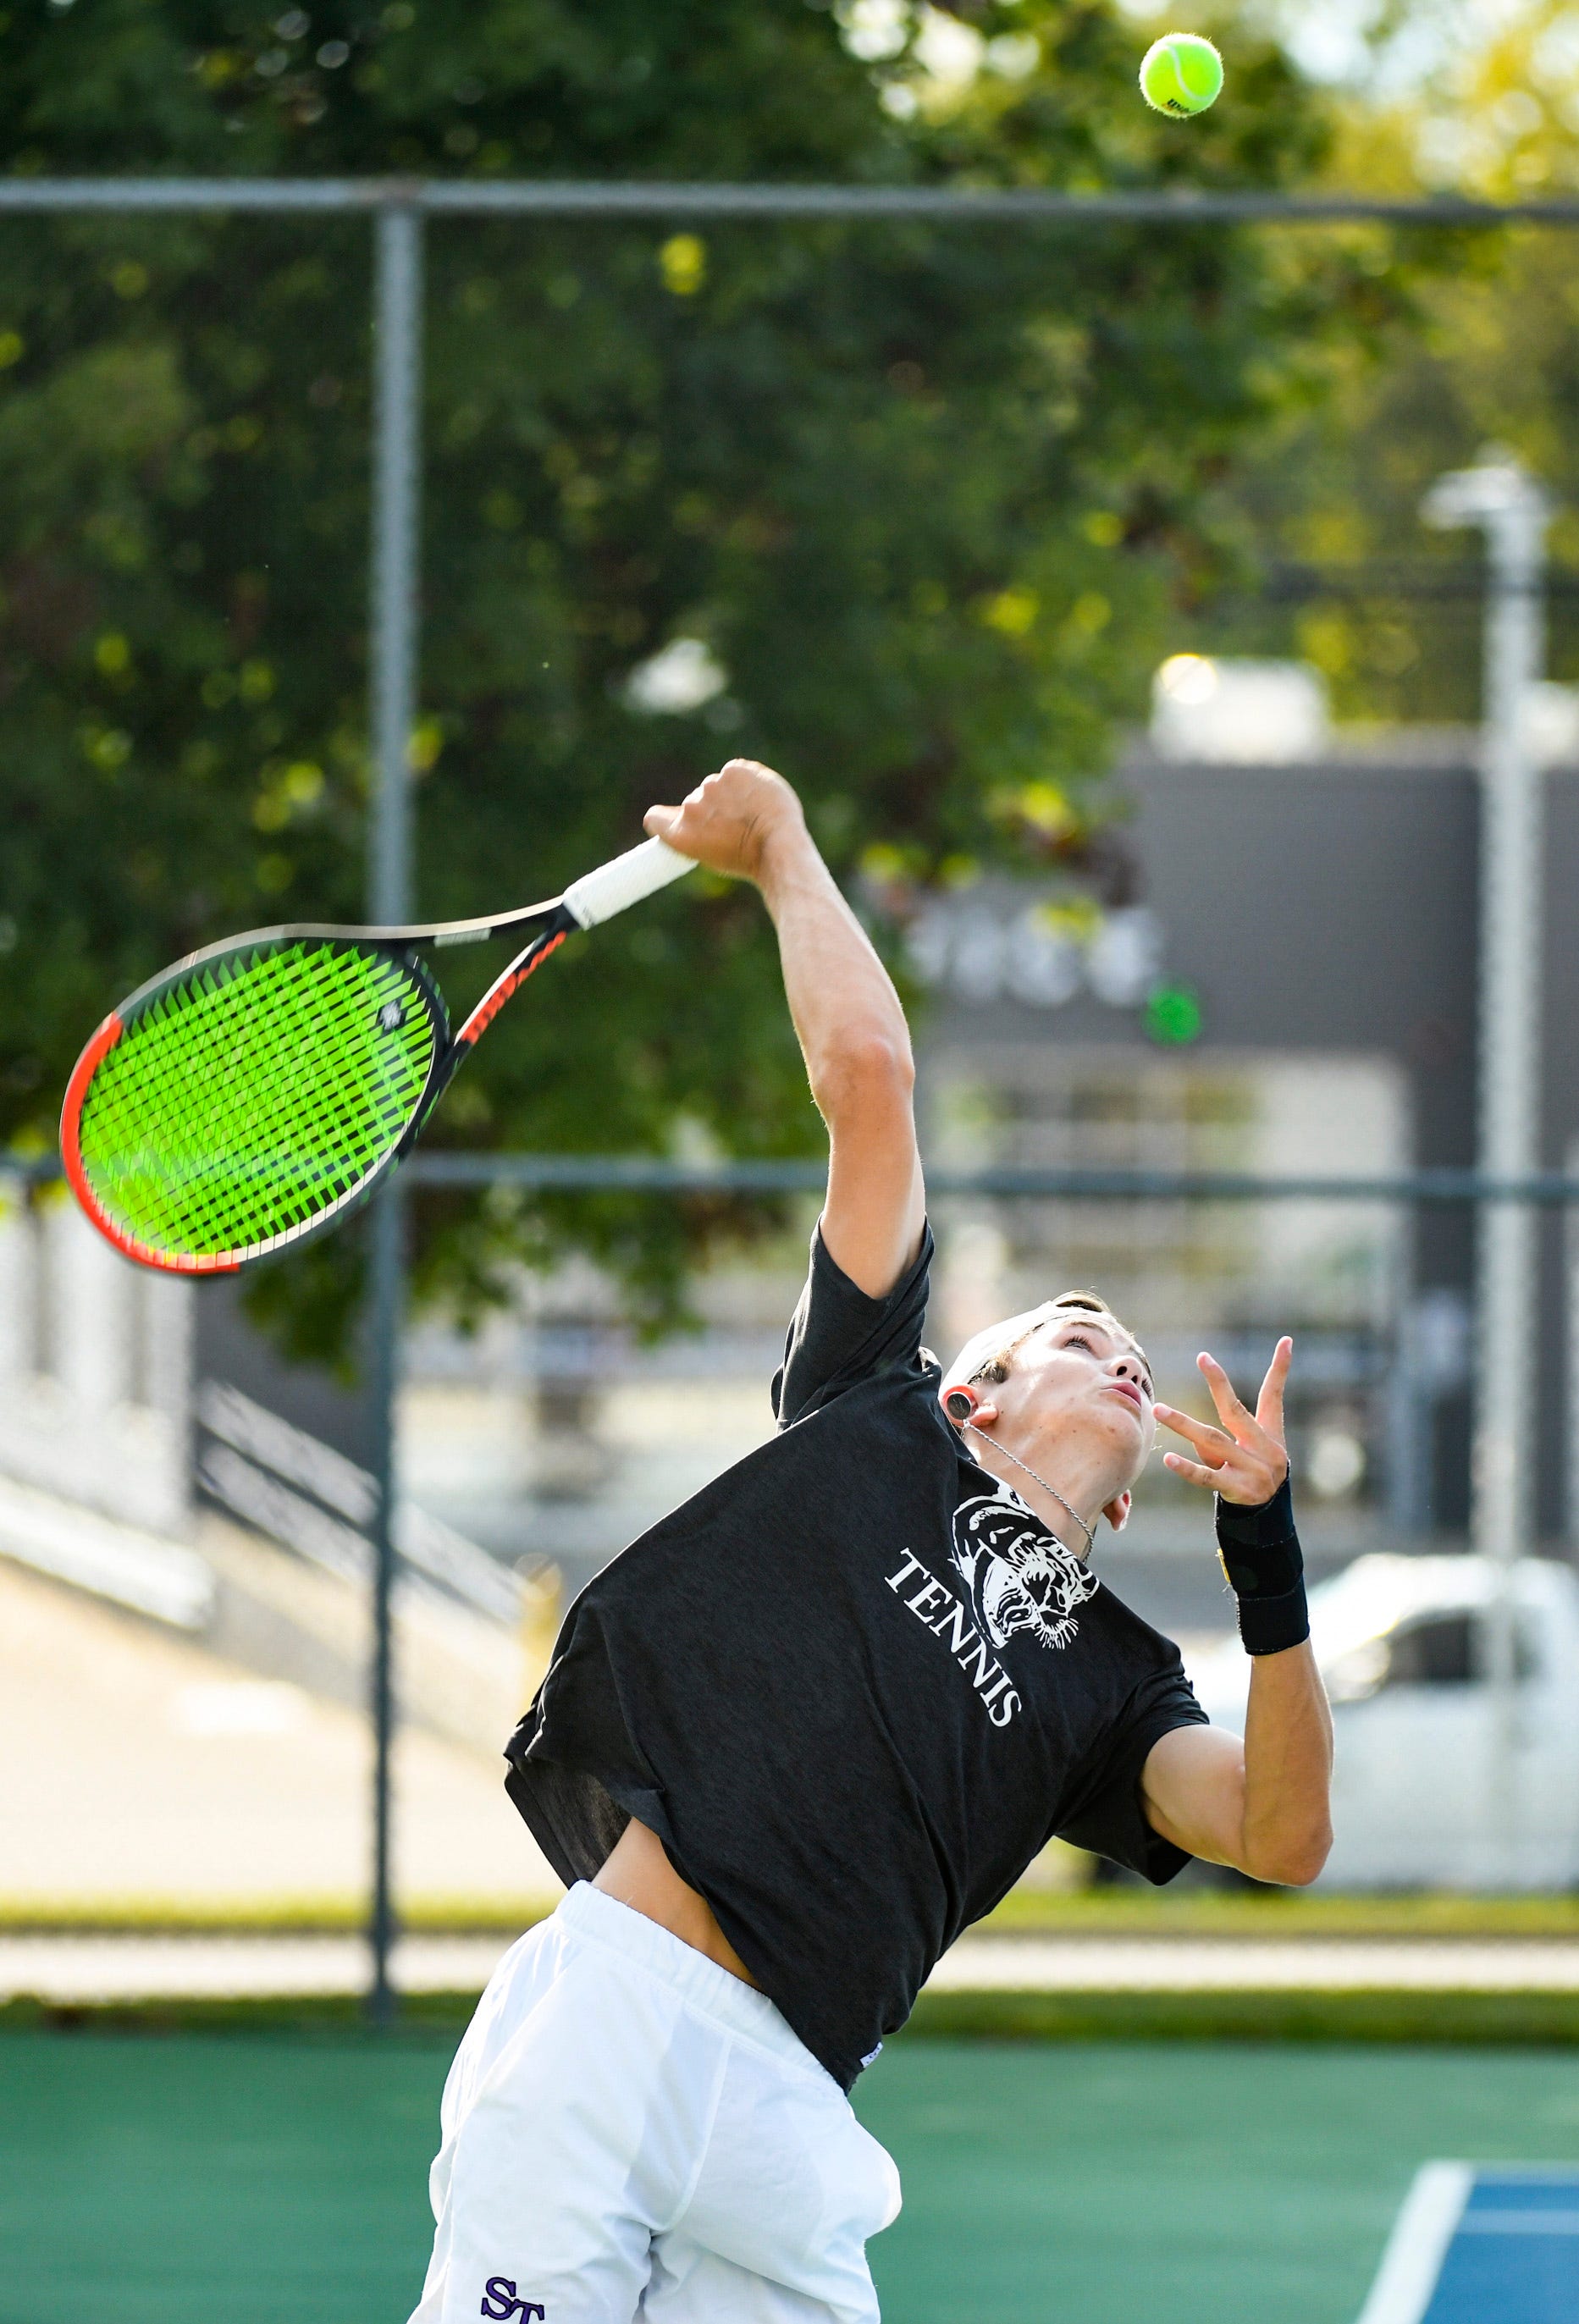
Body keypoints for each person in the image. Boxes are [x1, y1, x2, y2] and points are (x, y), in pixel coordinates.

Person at [406, 759, 1334, 2324]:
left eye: (1132, 1350)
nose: (1117, 1352)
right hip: (611, 2020)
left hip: (787, 2104)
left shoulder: (1116, 1690)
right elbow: (867, 1076)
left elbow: (1283, 1835)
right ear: (975, 1389)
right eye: (1074, 1333)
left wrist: (1270, 1557)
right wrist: (780, 836)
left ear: (1129, 1502)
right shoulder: (870, 1405)